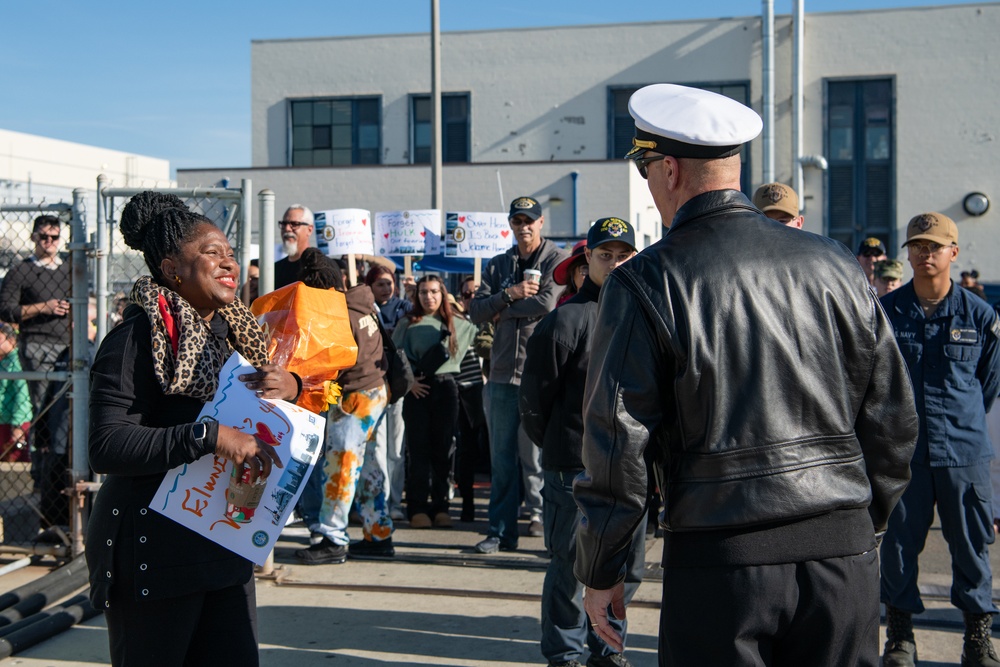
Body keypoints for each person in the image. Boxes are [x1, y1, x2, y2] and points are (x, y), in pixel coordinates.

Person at [574, 83, 918, 666]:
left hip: (722, 561)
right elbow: (892, 418)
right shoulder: (833, 261)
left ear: (672, 170)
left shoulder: (646, 281)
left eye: (647, 170)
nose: (649, 187)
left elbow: (618, 444)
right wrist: (861, 526)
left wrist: (602, 569)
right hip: (842, 554)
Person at [86, 191, 300, 666]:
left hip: (223, 542)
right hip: (153, 553)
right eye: (210, 252)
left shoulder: (235, 337)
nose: (227, 262)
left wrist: (291, 385)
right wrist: (210, 437)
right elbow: (107, 446)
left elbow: (254, 412)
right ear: (170, 269)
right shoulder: (136, 337)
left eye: (229, 252)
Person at [521, 217, 644, 667]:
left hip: (632, 471)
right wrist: (563, 448)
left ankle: (608, 649)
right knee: (570, 570)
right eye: (605, 254)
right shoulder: (564, 322)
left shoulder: (648, 317)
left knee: (628, 570)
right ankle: (565, 653)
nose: (615, 263)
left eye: (623, 254)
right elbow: (534, 404)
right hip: (574, 468)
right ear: (587, 258)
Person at [879, 212, 1000, 667]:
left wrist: (958, 421)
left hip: (963, 453)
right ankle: (901, 637)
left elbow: (987, 385)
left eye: (934, 246)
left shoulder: (980, 315)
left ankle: (976, 637)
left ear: (954, 252)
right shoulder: (888, 313)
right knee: (898, 547)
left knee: (971, 547)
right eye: (916, 246)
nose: (924, 254)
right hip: (905, 453)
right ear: (907, 253)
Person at [469, 196, 568, 553]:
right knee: (502, 460)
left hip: (539, 374)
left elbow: (547, 302)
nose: (523, 227)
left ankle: (544, 523)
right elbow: (475, 311)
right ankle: (500, 531)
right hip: (499, 377)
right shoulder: (499, 264)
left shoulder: (555, 259)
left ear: (541, 223)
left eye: (530, 220)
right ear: (510, 225)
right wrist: (508, 295)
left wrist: (504, 311)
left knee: (539, 458)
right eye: (517, 221)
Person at [294, 249, 391, 564]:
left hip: (353, 398)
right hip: (375, 391)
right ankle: (378, 533)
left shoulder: (336, 313)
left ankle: (333, 539)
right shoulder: (362, 302)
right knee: (368, 470)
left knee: (340, 468)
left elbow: (330, 362)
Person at [393, 276, 476, 528]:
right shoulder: (407, 323)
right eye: (423, 292)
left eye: (433, 292)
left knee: (443, 451)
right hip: (416, 391)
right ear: (416, 295)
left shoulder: (458, 323)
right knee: (418, 452)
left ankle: (441, 507)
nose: (428, 297)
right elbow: (394, 356)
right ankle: (417, 508)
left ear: (442, 294)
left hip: (447, 388)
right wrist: (410, 383)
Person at [0, 214, 71, 481]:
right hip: (37, 345)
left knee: (64, 412)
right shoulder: (22, 270)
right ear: (33, 238)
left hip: (68, 345)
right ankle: (43, 474)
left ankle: (60, 473)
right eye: (44, 237)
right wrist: (45, 306)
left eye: (54, 237)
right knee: (44, 411)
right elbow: (6, 310)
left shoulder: (68, 268)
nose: (49, 242)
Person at [366, 264, 411, 521]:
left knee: (396, 448)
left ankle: (395, 501)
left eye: (388, 283)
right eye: (380, 284)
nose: (386, 289)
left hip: (397, 388)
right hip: (374, 387)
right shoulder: (365, 310)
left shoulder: (403, 308)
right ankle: (381, 500)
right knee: (378, 447)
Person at [0, 323, 31, 463]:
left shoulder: (16, 360)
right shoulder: (4, 361)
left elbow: (22, 394)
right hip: (3, 420)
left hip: (14, 421)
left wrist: (17, 425)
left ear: (11, 340)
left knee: (14, 459)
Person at [274, 205, 314, 289]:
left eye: (295, 224)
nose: (287, 229)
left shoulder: (318, 267)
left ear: (309, 230)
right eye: (284, 224)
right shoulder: (275, 269)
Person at [553, 240, 589, 306]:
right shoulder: (563, 307)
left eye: (595, 269)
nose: (591, 275)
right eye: (585, 269)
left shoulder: (610, 304)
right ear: (572, 273)